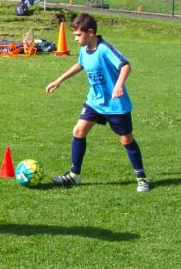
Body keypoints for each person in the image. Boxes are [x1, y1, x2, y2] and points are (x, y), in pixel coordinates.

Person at [45, 13, 150, 192]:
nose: (76, 39)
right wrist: (59, 80)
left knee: (126, 139)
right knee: (78, 131)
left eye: (78, 35)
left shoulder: (104, 49)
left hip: (115, 105)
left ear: (91, 32)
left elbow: (125, 65)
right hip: (94, 102)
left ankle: (141, 178)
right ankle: (74, 176)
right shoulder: (84, 50)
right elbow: (80, 64)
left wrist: (118, 85)